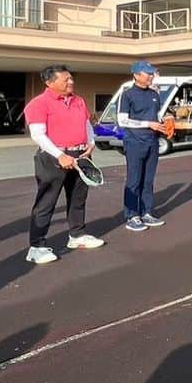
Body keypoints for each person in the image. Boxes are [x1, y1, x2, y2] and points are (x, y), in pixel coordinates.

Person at [23, 64, 105, 263]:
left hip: (80, 154)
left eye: (71, 78)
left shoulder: (78, 100)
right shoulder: (39, 103)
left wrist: (91, 143)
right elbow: (38, 134)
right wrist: (60, 155)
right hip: (53, 157)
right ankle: (36, 247)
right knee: (46, 202)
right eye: (65, 79)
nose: (71, 82)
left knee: (78, 198)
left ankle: (77, 235)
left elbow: (87, 125)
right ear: (49, 82)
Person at [117, 60, 167, 232]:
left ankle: (146, 212)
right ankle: (132, 216)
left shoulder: (154, 94)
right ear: (136, 75)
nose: (151, 76)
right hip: (134, 143)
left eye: (152, 73)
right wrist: (148, 124)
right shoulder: (128, 94)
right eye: (148, 73)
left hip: (152, 142)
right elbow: (122, 120)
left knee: (148, 180)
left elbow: (156, 116)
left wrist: (165, 122)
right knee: (134, 180)